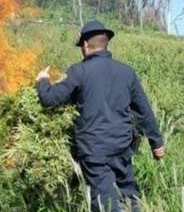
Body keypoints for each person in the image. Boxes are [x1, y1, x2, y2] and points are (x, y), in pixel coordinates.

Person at [35, 20, 164, 212]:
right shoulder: (127, 72)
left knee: (106, 202)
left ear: (86, 45)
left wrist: (42, 81)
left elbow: (50, 99)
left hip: (94, 152)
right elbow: (144, 111)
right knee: (129, 198)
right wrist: (157, 142)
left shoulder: (79, 71)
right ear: (106, 43)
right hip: (122, 148)